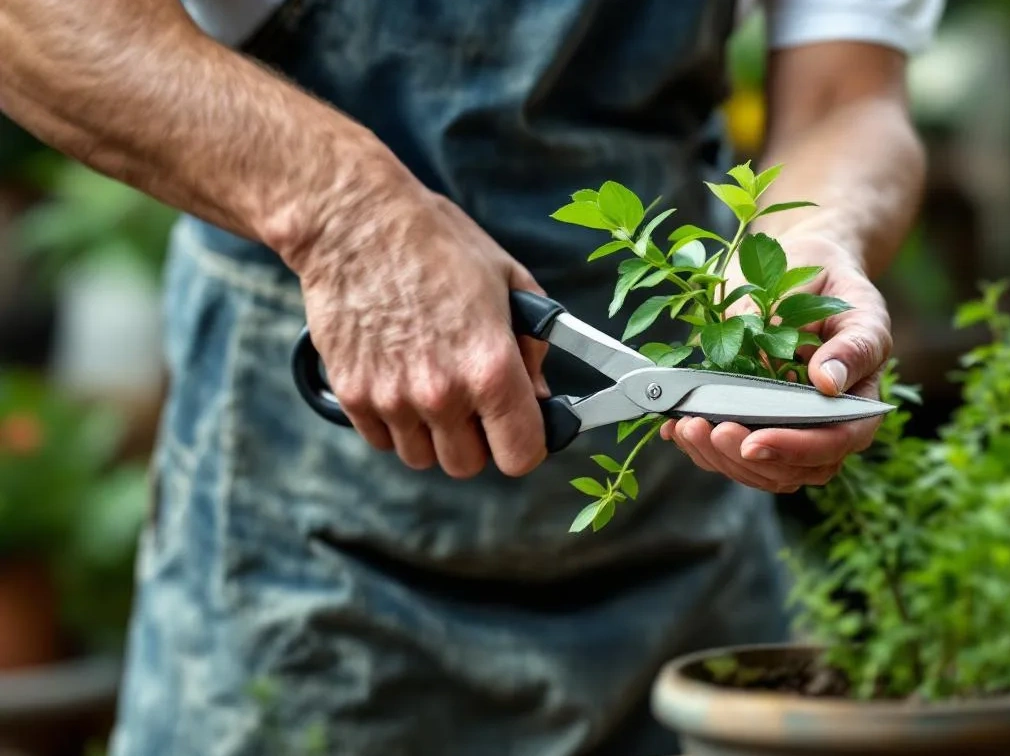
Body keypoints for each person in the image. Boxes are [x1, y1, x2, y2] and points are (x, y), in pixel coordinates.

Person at [0, 0, 941, 752]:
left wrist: (809, 236)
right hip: (305, 535)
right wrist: (345, 214)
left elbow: (847, 97)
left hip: (680, 534)